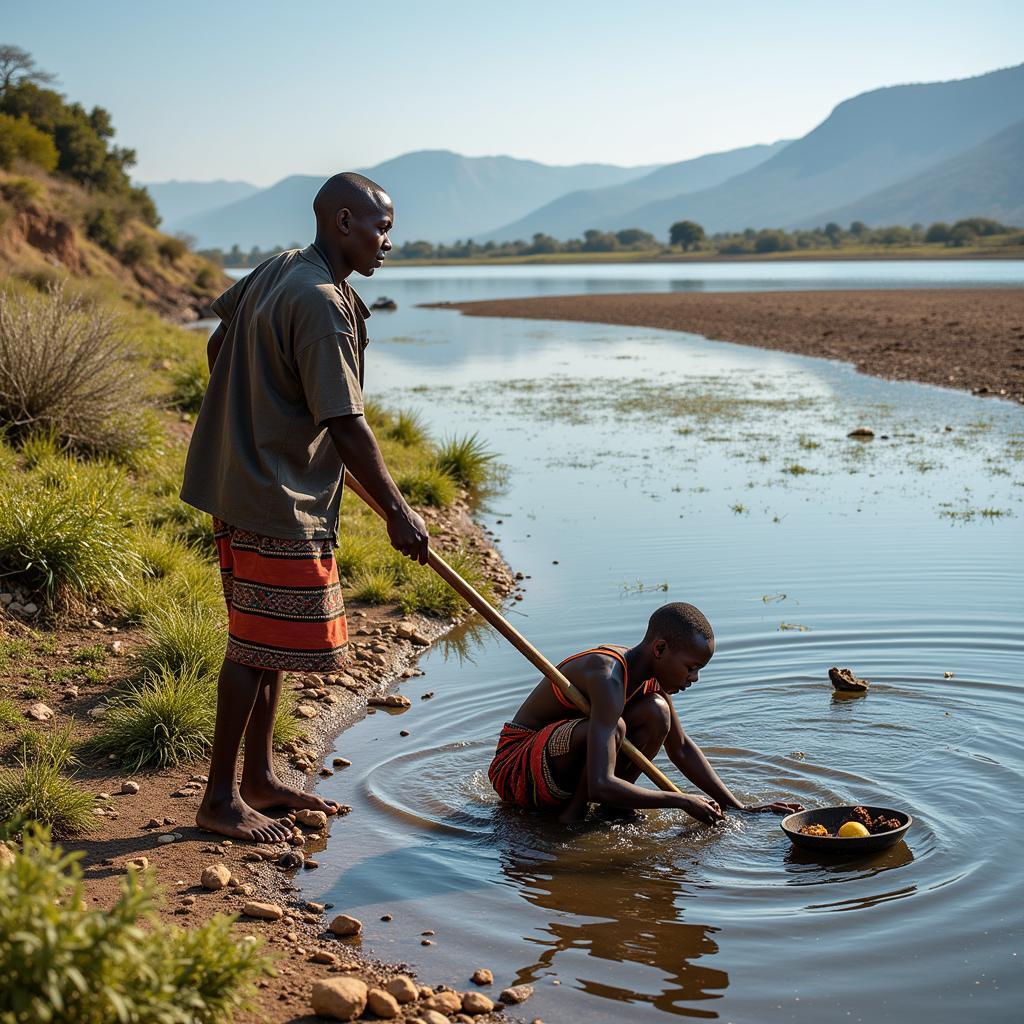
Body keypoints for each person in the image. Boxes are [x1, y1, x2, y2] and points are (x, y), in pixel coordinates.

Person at [180, 172, 429, 842]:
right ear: (344, 221)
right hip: (274, 497)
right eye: (381, 228)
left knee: (271, 640)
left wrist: (249, 411)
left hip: (242, 480)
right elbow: (346, 425)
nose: (387, 243)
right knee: (252, 649)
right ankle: (218, 802)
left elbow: (217, 341)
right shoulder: (318, 300)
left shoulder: (282, 268)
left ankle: (258, 780)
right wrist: (400, 512)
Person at [488, 602, 804, 824]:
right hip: (517, 770)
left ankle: (613, 810)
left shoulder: (652, 679)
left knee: (658, 713)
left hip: (562, 769)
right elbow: (599, 782)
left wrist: (740, 808)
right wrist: (680, 800)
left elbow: (680, 748)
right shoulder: (607, 677)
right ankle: (572, 817)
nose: (694, 679)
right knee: (616, 729)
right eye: (691, 668)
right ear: (660, 649)